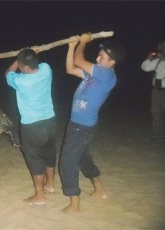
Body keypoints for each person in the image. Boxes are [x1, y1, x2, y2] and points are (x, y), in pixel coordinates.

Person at [59, 33, 125, 213]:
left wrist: (83, 42)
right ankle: (100, 190)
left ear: (112, 61)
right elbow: (71, 69)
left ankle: (74, 204)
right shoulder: (94, 75)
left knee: (67, 161)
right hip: (78, 124)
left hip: (82, 126)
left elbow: (80, 61)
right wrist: (72, 47)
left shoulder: (106, 74)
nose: (97, 58)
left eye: (101, 56)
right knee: (82, 158)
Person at [5, 48, 57, 206]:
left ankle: (40, 196)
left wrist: (17, 59)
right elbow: (33, 63)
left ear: (25, 66)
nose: (19, 67)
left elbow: (8, 72)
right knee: (49, 154)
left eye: (21, 65)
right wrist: (29, 55)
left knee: (34, 159)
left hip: (31, 125)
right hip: (49, 121)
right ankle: (50, 185)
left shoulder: (21, 82)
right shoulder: (47, 69)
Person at [141, 41, 165, 141]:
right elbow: (145, 68)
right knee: (156, 112)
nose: (164, 49)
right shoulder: (158, 60)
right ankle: (158, 135)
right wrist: (149, 59)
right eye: (163, 48)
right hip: (156, 90)